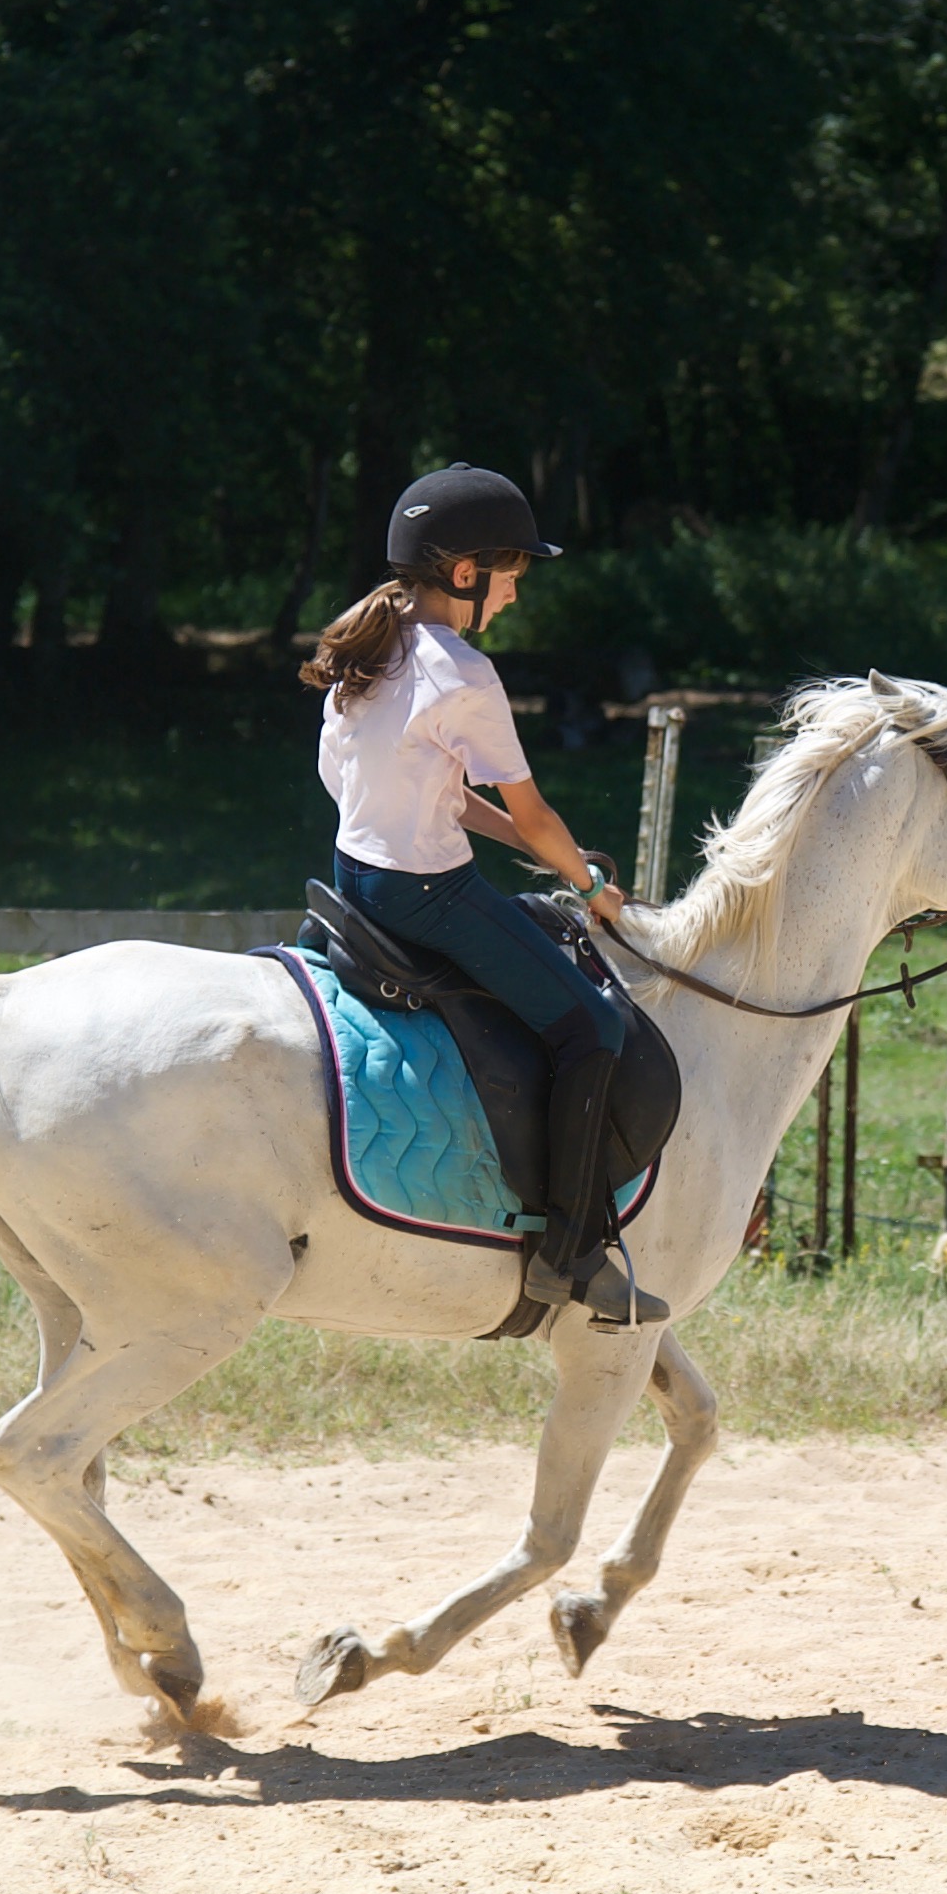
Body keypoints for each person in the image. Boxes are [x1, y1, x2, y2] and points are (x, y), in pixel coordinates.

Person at [300, 463, 669, 1328]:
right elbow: (528, 807)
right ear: (465, 574)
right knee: (593, 1025)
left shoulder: (376, 646)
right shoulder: (463, 672)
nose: (513, 596)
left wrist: (556, 861)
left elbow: (449, 798)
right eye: (512, 577)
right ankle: (571, 1249)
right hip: (427, 895)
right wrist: (593, 886)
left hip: (355, 878)